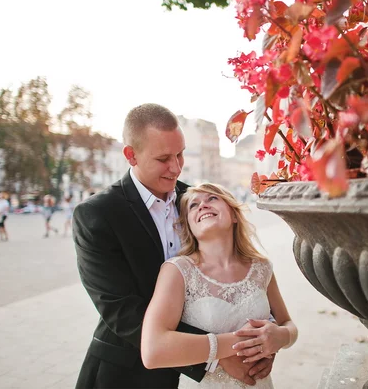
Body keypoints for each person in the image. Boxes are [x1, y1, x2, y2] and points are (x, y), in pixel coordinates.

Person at [73, 103, 275, 389]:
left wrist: (264, 343)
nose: (176, 167)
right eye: (164, 158)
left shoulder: (195, 201)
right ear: (131, 155)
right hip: (127, 372)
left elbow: (240, 273)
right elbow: (121, 311)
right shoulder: (97, 215)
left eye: (180, 154)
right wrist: (215, 355)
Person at [141, 183, 298, 388]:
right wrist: (240, 345)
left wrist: (281, 337)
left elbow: (288, 324)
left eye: (212, 198)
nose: (203, 205)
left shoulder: (262, 268)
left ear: (233, 214)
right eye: (194, 205)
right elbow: (153, 351)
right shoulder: (177, 270)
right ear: (189, 226)